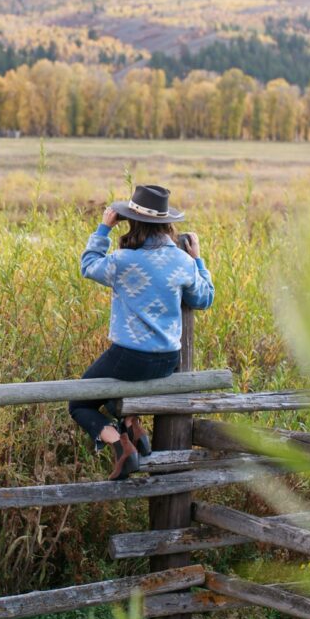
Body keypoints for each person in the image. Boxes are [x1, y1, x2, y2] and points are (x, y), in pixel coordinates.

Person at [68, 183, 215, 481]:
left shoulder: (123, 262)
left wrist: (103, 229)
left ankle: (121, 446)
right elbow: (204, 298)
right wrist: (198, 258)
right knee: (115, 390)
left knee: (80, 402)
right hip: (168, 360)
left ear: (132, 222)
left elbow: (88, 265)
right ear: (167, 223)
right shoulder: (184, 262)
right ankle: (133, 424)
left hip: (131, 357)